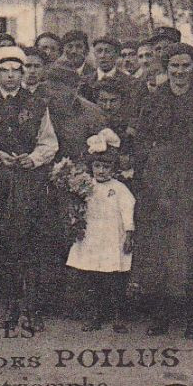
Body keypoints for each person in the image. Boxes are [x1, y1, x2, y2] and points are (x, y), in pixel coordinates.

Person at [127, 44, 193, 338]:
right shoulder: (154, 100)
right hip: (159, 181)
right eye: (174, 67)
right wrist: (150, 173)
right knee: (159, 248)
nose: (180, 72)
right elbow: (140, 140)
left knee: (190, 246)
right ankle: (160, 314)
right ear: (166, 69)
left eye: (186, 66)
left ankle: (192, 316)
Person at [0, 44, 60, 327]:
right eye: (5, 71)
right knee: (1, 244)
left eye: (16, 71)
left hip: (28, 182)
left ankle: (32, 309)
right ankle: (9, 306)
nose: (11, 76)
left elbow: (49, 141)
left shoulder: (37, 105)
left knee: (30, 243)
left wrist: (33, 159)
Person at [67, 131, 135, 333]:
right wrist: (76, 224)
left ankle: (118, 317)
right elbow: (77, 208)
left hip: (112, 237)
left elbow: (127, 210)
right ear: (91, 167)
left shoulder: (120, 188)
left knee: (114, 280)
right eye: (97, 166)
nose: (101, 171)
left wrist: (129, 233)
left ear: (113, 169)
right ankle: (95, 315)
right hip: (92, 236)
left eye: (106, 167)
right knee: (92, 278)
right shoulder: (86, 185)